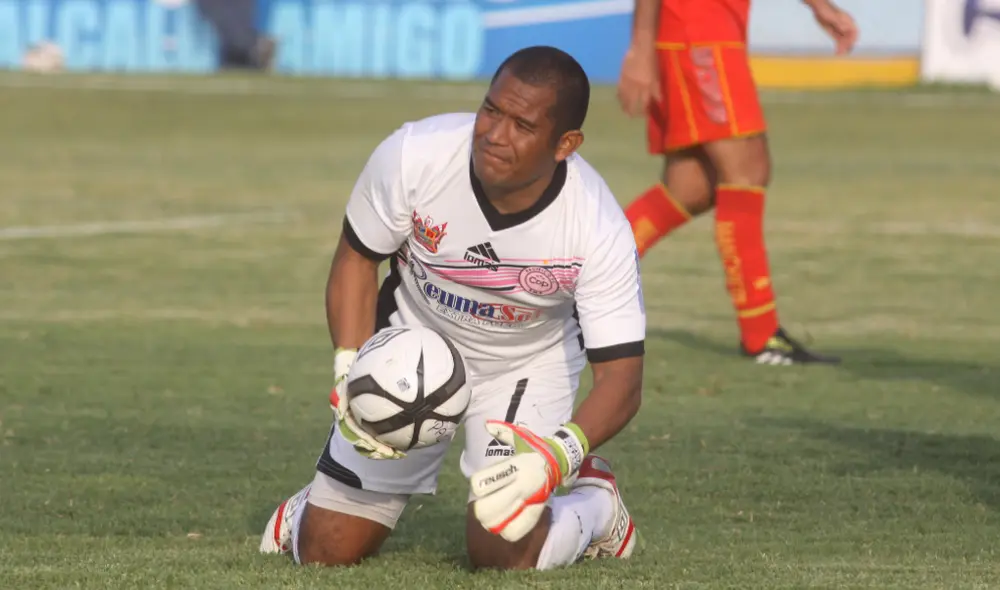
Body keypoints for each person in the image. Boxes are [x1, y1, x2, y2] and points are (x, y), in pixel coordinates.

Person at [259, 46, 645, 570]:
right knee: (325, 553)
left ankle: (597, 505)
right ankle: (314, 502)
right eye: (491, 110)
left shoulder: (597, 227)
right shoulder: (415, 154)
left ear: (565, 144)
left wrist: (558, 458)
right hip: (412, 348)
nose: (494, 134)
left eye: (522, 125)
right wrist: (350, 370)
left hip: (525, 366)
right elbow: (355, 259)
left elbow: (622, 380)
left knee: (502, 550)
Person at [617, 0, 858, 365]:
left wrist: (819, 7)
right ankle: (761, 336)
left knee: (691, 188)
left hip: (707, 31)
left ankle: (572, 283)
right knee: (747, 169)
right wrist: (641, 45)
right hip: (698, 30)